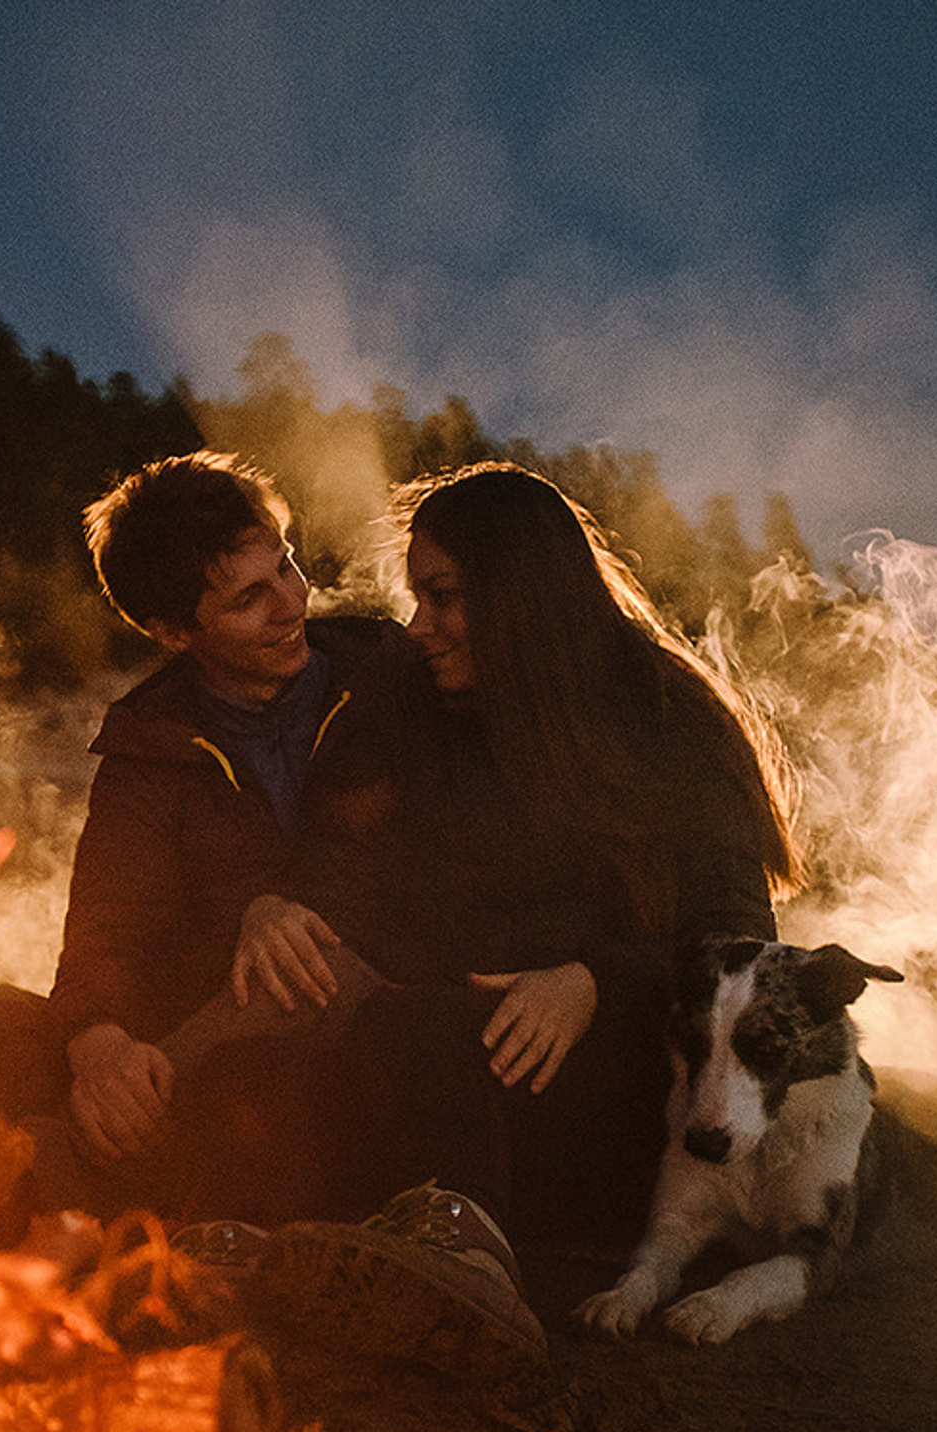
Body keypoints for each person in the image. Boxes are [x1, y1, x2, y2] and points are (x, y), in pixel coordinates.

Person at [249, 460, 801, 1278]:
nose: (419, 626)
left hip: (616, 1086)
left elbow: (743, 947)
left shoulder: (666, 720)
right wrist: (281, 909)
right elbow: (342, 864)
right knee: (368, 1036)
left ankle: (464, 1266)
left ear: (523, 600)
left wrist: (595, 982)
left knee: (422, 1034)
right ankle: (414, 1241)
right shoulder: (402, 702)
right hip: (427, 1066)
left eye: (445, 597)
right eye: (416, 597)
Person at [0, 451, 414, 1226]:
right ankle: (116, 1158)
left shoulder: (384, 674)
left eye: (286, 567)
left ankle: (64, 1177)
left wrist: (279, 908)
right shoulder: (150, 743)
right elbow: (104, 935)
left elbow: (424, 852)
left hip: (364, 1016)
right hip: (201, 1037)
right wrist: (99, 1045)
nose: (292, 603)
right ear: (173, 631)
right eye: (250, 597)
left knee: (295, 977)